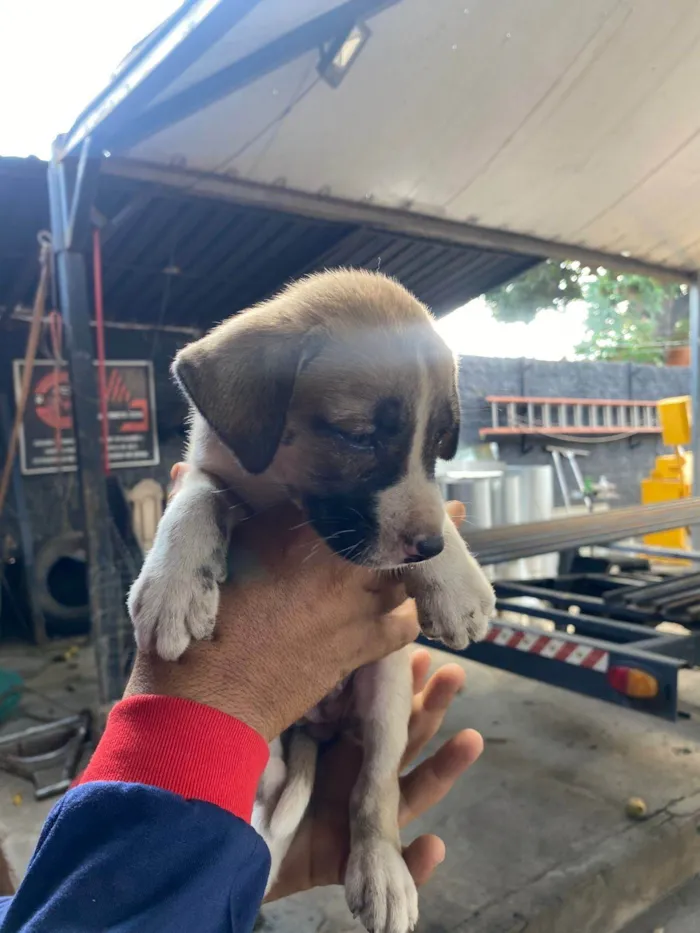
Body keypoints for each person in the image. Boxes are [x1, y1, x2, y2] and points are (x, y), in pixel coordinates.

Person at [0, 471, 483, 932]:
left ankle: (372, 826)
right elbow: (208, 477)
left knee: (389, 654)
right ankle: (256, 847)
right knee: (259, 783)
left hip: (346, 690)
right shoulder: (243, 462)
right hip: (257, 732)